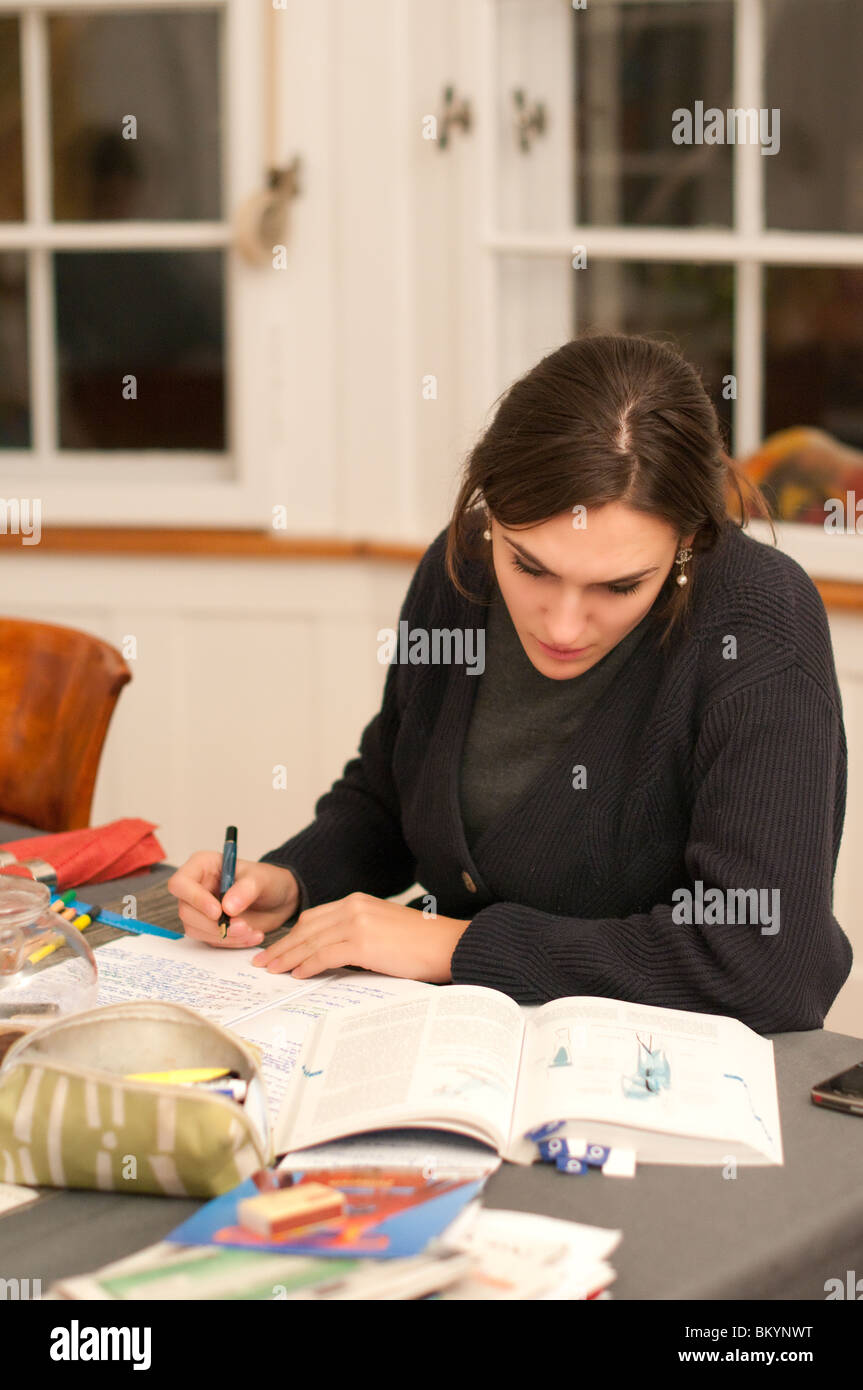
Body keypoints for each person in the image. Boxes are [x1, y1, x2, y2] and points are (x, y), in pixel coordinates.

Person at [167, 331, 852, 1033]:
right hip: (462, 1036)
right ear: (488, 508)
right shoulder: (461, 566)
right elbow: (390, 794)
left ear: (686, 541)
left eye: (617, 586)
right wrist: (291, 881)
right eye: (528, 567)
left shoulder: (761, 626)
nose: (560, 625)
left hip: (671, 1072)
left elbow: (769, 967)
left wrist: (457, 946)